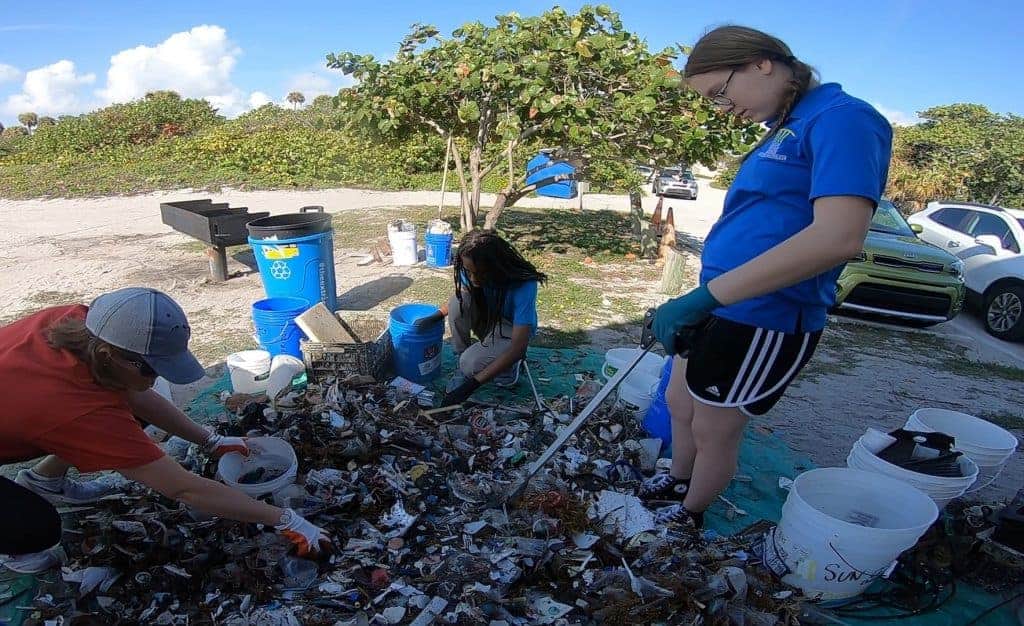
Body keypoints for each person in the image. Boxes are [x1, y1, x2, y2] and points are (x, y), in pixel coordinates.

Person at [640, 26, 893, 529]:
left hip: (766, 316)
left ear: (761, 63)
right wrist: (700, 297)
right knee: (679, 403)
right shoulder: (784, 128)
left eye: (719, 93)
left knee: (715, 425)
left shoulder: (844, 120)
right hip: (720, 301)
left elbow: (837, 237)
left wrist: (704, 298)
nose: (721, 108)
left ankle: (689, 514)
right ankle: (677, 477)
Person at [0, 287, 331, 573]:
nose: (156, 378)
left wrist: (212, 440)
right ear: (109, 355)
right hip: (42, 411)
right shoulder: (75, 409)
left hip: (26, 407)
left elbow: (135, 396)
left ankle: (43, 479)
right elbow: (185, 490)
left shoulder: (80, 323)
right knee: (36, 527)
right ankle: (17, 548)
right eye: (150, 368)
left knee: (128, 409)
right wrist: (287, 520)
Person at [414, 230, 547, 406]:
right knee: (457, 302)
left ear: (497, 267)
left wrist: (470, 386)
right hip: (489, 318)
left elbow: (518, 348)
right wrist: (436, 316)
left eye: (480, 273)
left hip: (510, 330)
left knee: (471, 363)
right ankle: (463, 363)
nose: (473, 279)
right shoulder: (470, 266)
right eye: (469, 272)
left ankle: (508, 368)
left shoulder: (523, 284)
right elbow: (460, 301)